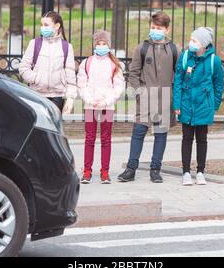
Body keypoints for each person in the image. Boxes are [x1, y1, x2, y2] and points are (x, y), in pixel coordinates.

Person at [117, 11, 179, 183]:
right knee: (138, 132)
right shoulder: (142, 48)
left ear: (167, 29)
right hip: (145, 98)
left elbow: (179, 75)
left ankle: (155, 169)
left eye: (159, 28)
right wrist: (139, 93)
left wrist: (174, 96)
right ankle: (131, 169)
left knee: (160, 134)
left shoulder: (174, 49)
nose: (155, 30)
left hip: (165, 98)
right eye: (153, 27)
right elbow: (133, 74)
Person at [172, 27, 224, 186]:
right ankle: (186, 172)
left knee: (202, 139)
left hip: (204, 106)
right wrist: (177, 103)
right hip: (187, 104)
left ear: (203, 44)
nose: (191, 42)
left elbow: (218, 85)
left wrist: (213, 105)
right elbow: (178, 81)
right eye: (191, 39)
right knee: (186, 139)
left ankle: (200, 172)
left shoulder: (214, 60)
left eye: (194, 40)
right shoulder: (186, 56)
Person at [77, 31, 125, 184]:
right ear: (94, 45)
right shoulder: (87, 63)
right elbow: (82, 84)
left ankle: (105, 171)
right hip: (90, 106)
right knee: (89, 138)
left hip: (107, 106)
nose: (101, 46)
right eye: (99, 44)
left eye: (104, 44)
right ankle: (87, 171)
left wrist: (106, 101)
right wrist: (90, 100)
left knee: (106, 139)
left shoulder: (115, 65)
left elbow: (118, 87)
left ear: (109, 45)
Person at [19, 11, 76, 113]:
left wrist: (70, 99)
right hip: (37, 94)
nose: (43, 27)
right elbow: (23, 68)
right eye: (42, 25)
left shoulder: (67, 47)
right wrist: (36, 78)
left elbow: (70, 75)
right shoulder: (34, 44)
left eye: (46, 25)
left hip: (57, 96)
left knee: (53, 127)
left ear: (57, 25)